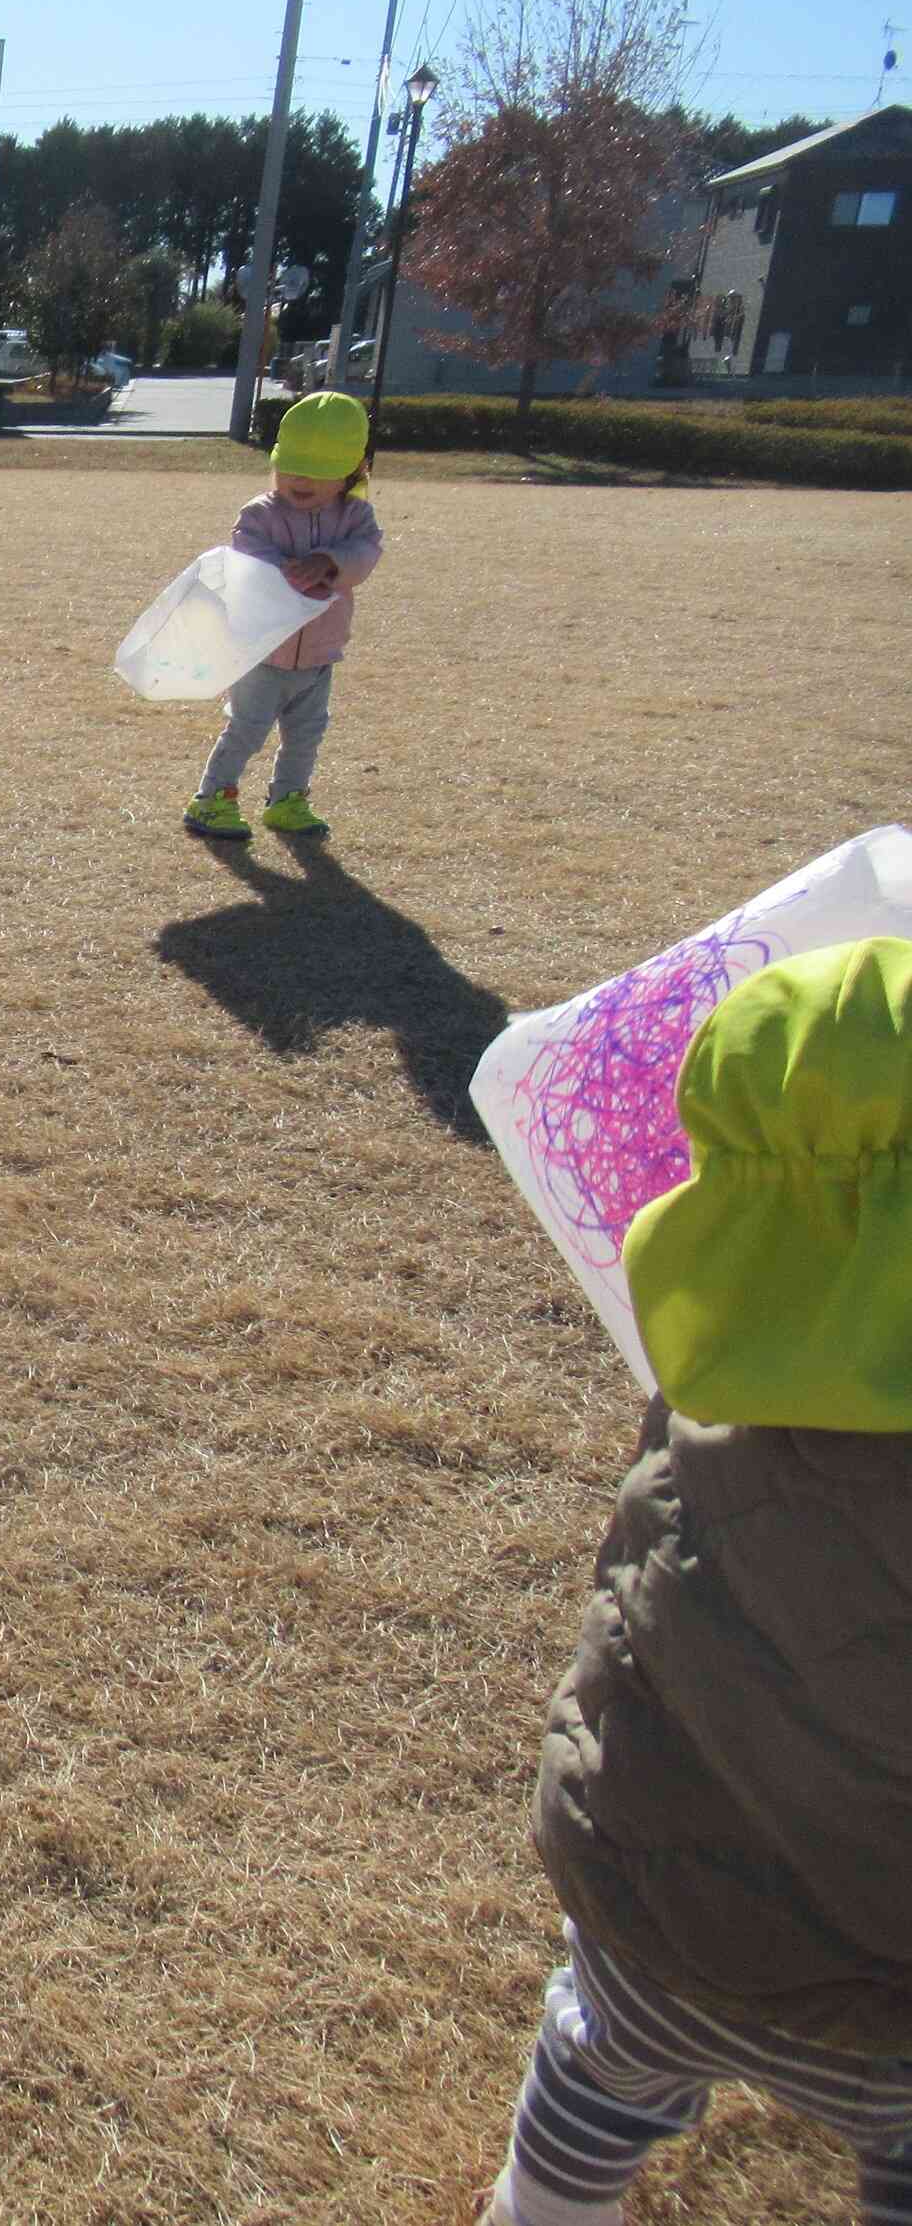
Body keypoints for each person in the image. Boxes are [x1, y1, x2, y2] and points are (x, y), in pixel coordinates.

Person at [480, 935, 912, 2226]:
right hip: (892, 2000)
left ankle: (540, 2205)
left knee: (602, 2055)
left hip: (654, 1909)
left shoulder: (702, 1370)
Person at [181, 390, 384, 842]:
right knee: (247, 728)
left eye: (317, 472)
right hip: (264, 652)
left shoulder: (356, 517)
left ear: (349, 473)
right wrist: (285, 571)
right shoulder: (261, 513)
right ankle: (212, 798)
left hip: (318, 654)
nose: (300, 479)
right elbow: (247, 554)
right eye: (290, 466)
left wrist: (331, 562)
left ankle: (288, 799)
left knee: (307, 733)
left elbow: (367, 554)